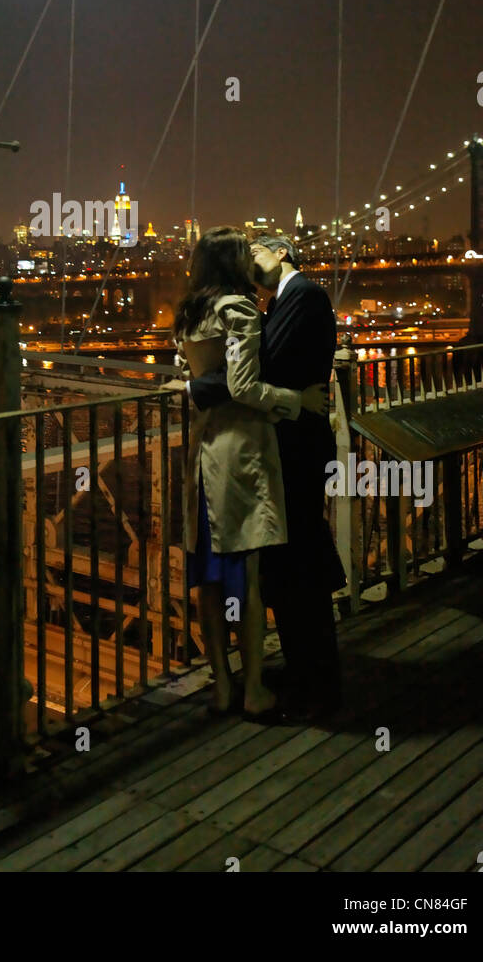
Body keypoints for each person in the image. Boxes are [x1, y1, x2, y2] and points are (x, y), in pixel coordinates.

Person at [170, 227, 328, 721]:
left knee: (209, 584)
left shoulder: (189, 313)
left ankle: (221, 688)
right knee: (249, 581)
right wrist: (294, 400)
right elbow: (243, 386)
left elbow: (188, 378)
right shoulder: (238, 310)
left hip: (201, 453)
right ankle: (256, 689)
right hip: (240, 454)